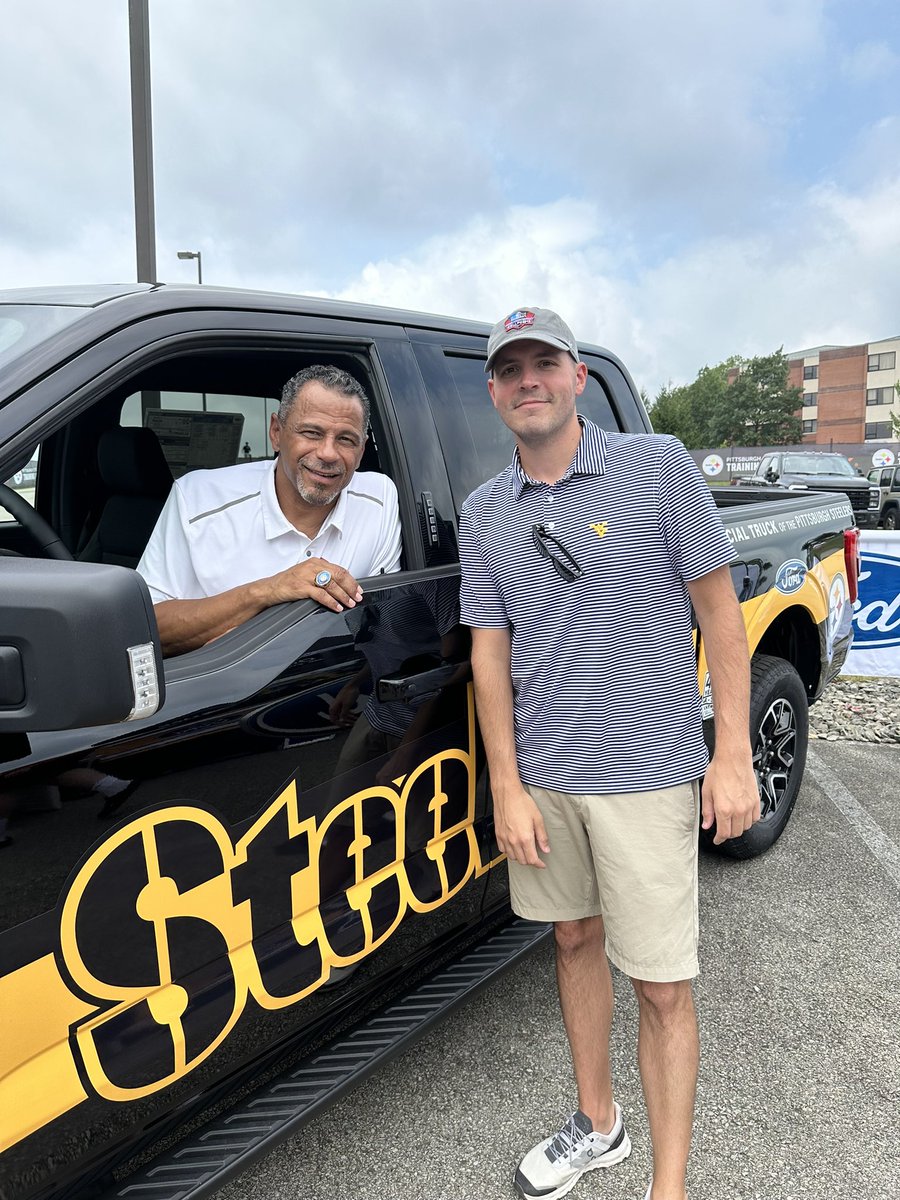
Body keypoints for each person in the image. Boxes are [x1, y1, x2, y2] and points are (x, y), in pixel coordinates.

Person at [457, 308, 759, 1200]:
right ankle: (599, 1126)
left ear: (577, 375)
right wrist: (507, 788)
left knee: (662, 987)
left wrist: (730, 753)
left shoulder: (656, 465)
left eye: (543, 362)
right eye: (509, 370)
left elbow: (720, 616)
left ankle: (669, 1187)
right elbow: (489, 654)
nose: (527, 381)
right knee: (574, 941)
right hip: (548, 782)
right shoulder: (484, 511)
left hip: (649, 777)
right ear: (493, 393)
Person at [137, 365, 401, 657]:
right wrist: (269, 590)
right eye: (312, 432)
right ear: (276, 433)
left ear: (362, 450)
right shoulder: (198, 500)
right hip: (226, 694)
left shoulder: (381, 499)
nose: (328, 453)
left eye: (345, 439)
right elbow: (146, 628)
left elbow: (388, 621)